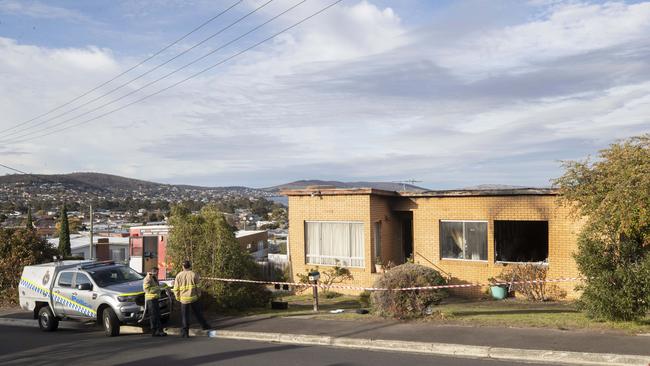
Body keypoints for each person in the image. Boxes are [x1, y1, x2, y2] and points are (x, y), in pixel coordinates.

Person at [173, 260, 211, 338]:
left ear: (183, 267)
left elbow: (176, 288)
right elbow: (198, 286)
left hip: (183, 299)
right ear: (190, 266)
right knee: (198, 313)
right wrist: (198, 295)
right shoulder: (194, 274)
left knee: (185, 316)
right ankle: (205, 326)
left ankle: (185, 333)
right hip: (194, 298)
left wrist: (177, 297)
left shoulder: (179, 275)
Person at [143, 267, 167, 337]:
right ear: (153, 271)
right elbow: (146, 290)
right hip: (150, 299)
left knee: (157, 315)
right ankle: (154, 331)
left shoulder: (154, 278)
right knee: (153, 315)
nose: (158, 273)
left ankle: (159, 331)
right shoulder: (148, 278)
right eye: (157, 272)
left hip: (155, 298)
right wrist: (157, 288)